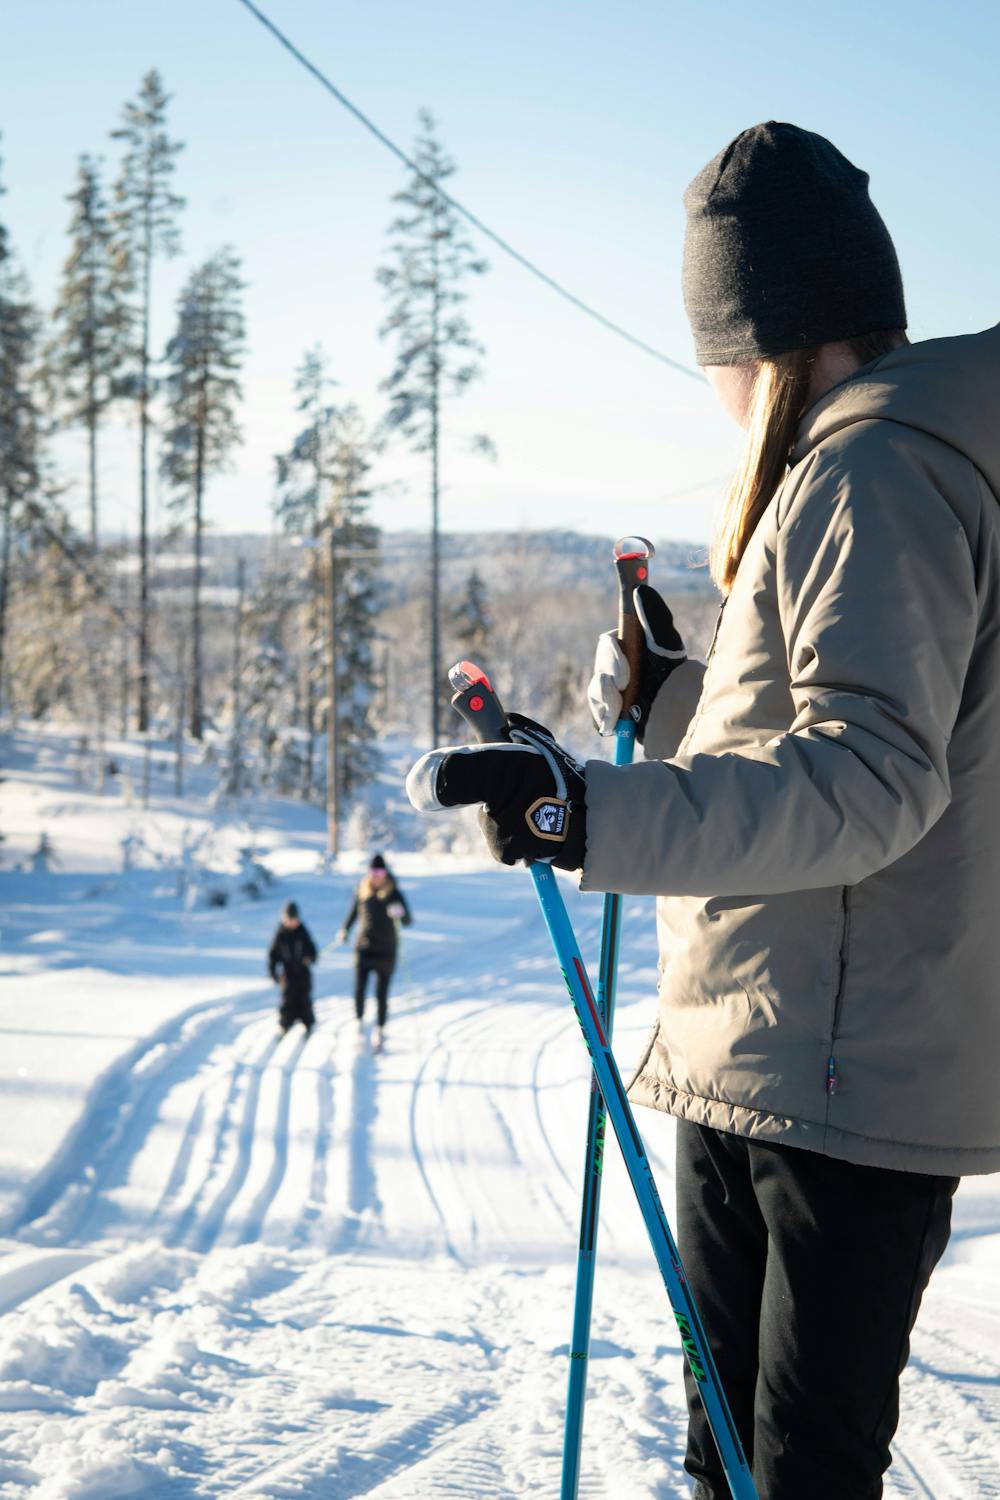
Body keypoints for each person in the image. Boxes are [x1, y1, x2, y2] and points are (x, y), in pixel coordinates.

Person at [405, 121, 1000, 1499]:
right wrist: (671, 704)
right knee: (739, 1462)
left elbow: (870, 780)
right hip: (790, 1038)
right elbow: (854, 739)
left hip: (829, 1070)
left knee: (788, 1473)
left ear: (757, 344)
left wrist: (586, 818)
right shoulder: (892, 456)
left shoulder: (876, 468)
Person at [340, 854, 412, 1049]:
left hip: (386, 951)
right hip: (363, 947)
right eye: (373, 872)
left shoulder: (394, 893)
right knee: (360, 989)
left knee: (381, 993)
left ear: (385, 873)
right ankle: (359, 1024)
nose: (377, 876)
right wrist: (344, 930)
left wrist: (400, 913)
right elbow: (353, 913)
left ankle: (380, 1030)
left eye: (380, 872)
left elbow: (407, 921)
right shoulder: (362, 890)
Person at [268, 899, 318, 1036]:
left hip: (303, 973)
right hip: (287, 974)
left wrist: (311, 957)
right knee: (287, 1000)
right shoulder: (280, 934)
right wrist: (273, 972)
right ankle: (285, 1025)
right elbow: (273, 955)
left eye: (294, 919)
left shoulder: (303, 932)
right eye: (288, 919)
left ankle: (308, 1025)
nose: (291, 922)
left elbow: (313, 951)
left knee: (304, 1000)